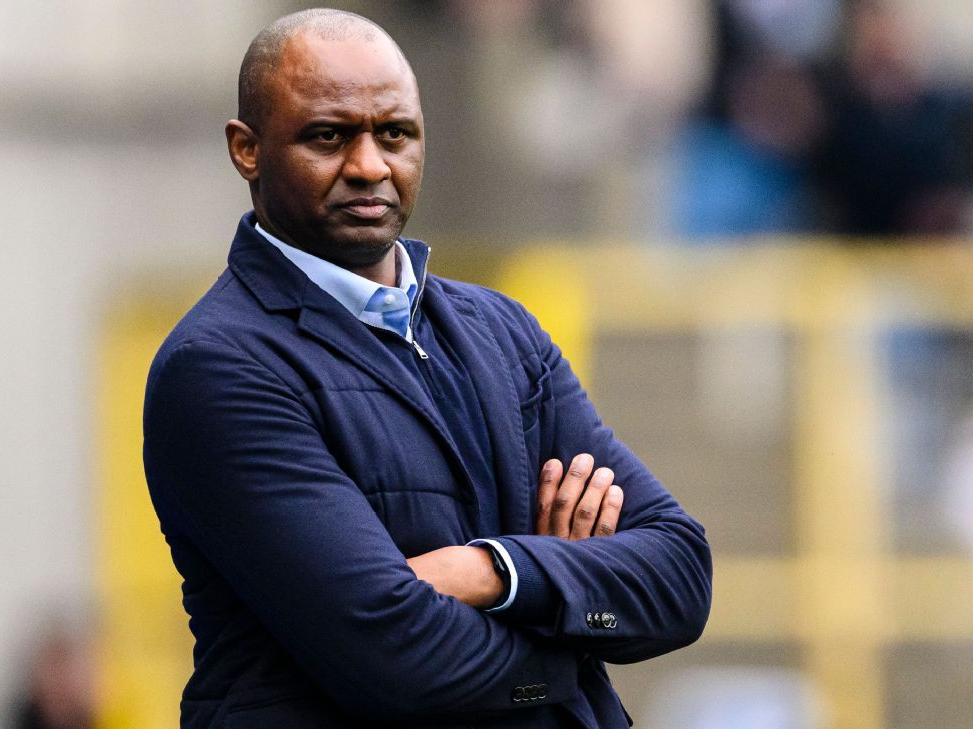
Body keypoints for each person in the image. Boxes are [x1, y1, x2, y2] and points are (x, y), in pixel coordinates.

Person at [143, 9, 712, 728]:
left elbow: (681, 575)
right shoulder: (219, 368)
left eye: (395, 134)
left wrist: (494, 572)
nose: (370, 166)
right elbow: (395, 655)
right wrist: (569, 628)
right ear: (246, 150)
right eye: (329, 136)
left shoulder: (502, 331)